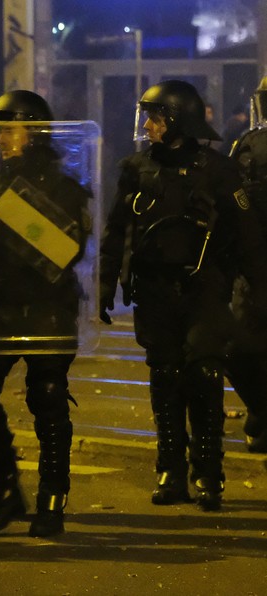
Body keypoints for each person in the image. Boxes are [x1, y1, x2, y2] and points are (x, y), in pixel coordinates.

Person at [100, 80, 267, 512]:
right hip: (154, 289)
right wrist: (103, 284)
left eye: (155, 117)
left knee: (206, 374)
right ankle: (171, 471)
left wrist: (260, 285)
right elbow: (117, 230)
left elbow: (247, 236)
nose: (148, 126)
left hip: (204, 287)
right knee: (166, 378)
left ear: (178, 121)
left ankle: (208, 473)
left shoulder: (217, 170)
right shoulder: (136, 168)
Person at [0, 90, 92, 538]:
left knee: (48, 400)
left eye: (8, 131)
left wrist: (17, 216)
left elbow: (65, 251)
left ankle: (52, 498)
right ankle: (4, 487)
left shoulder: (63, 188)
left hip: (47, 311)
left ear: (34, 134)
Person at [225, 76, 267, 452]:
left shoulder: (248, 146)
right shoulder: (247, 146)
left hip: (250, 269)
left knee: (239, 348)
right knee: (236, 348)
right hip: (251, 268)